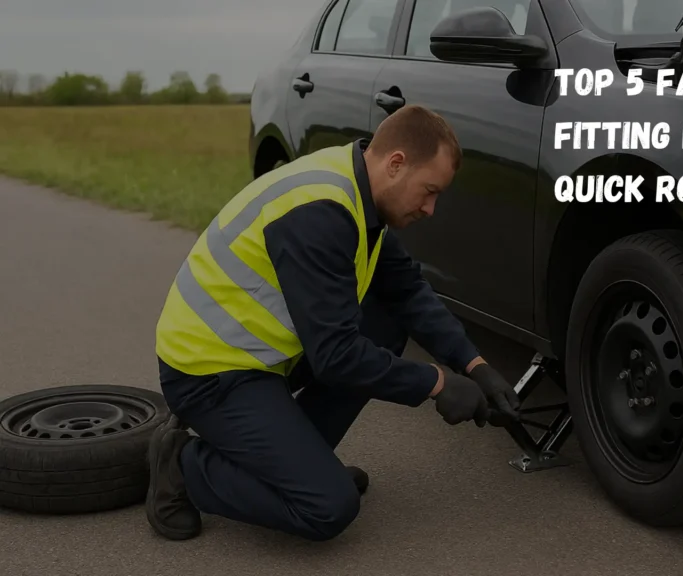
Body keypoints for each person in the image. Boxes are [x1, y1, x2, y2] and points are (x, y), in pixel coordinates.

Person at [146, 104, 521, 542]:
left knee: (385, 321)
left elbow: (407, 291)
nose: (431, 209)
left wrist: (475, 366)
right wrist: (436, 383)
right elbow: (336, 357)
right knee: (327, 506)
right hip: (209, 371)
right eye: (429, 191)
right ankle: (184, 464)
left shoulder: (359, 193)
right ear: (396, 164)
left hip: (263, 358)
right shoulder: (319, 213)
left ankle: (303, 464)